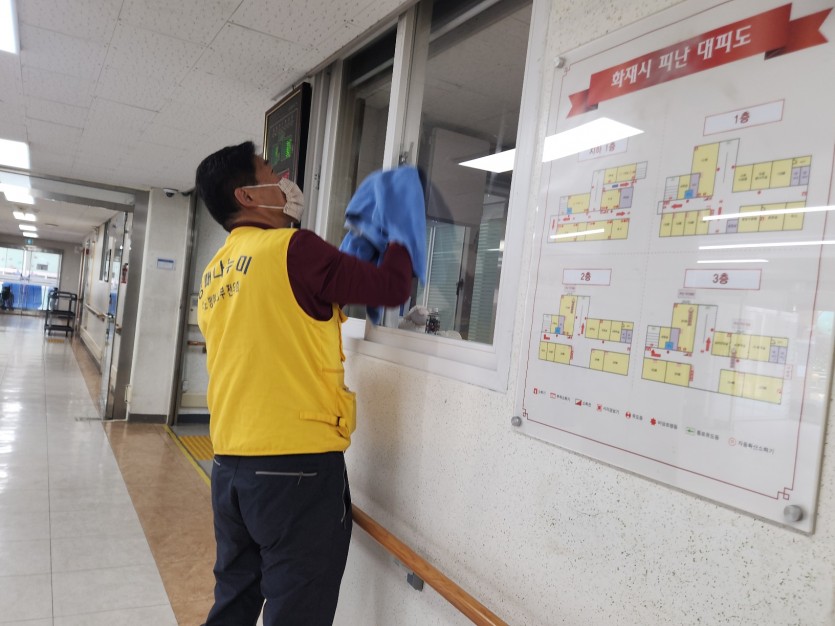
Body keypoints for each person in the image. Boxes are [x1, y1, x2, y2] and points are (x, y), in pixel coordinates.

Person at [194, 141, 415, 626]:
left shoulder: (214, 273)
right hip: (295, 471)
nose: (284, 183)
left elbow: (284, 323)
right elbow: (393, 287)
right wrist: (401, 232)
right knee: (298, 613)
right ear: (247, 196)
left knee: (234, 599)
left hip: (229, 468)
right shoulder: (293, 249)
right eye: (270, 174)